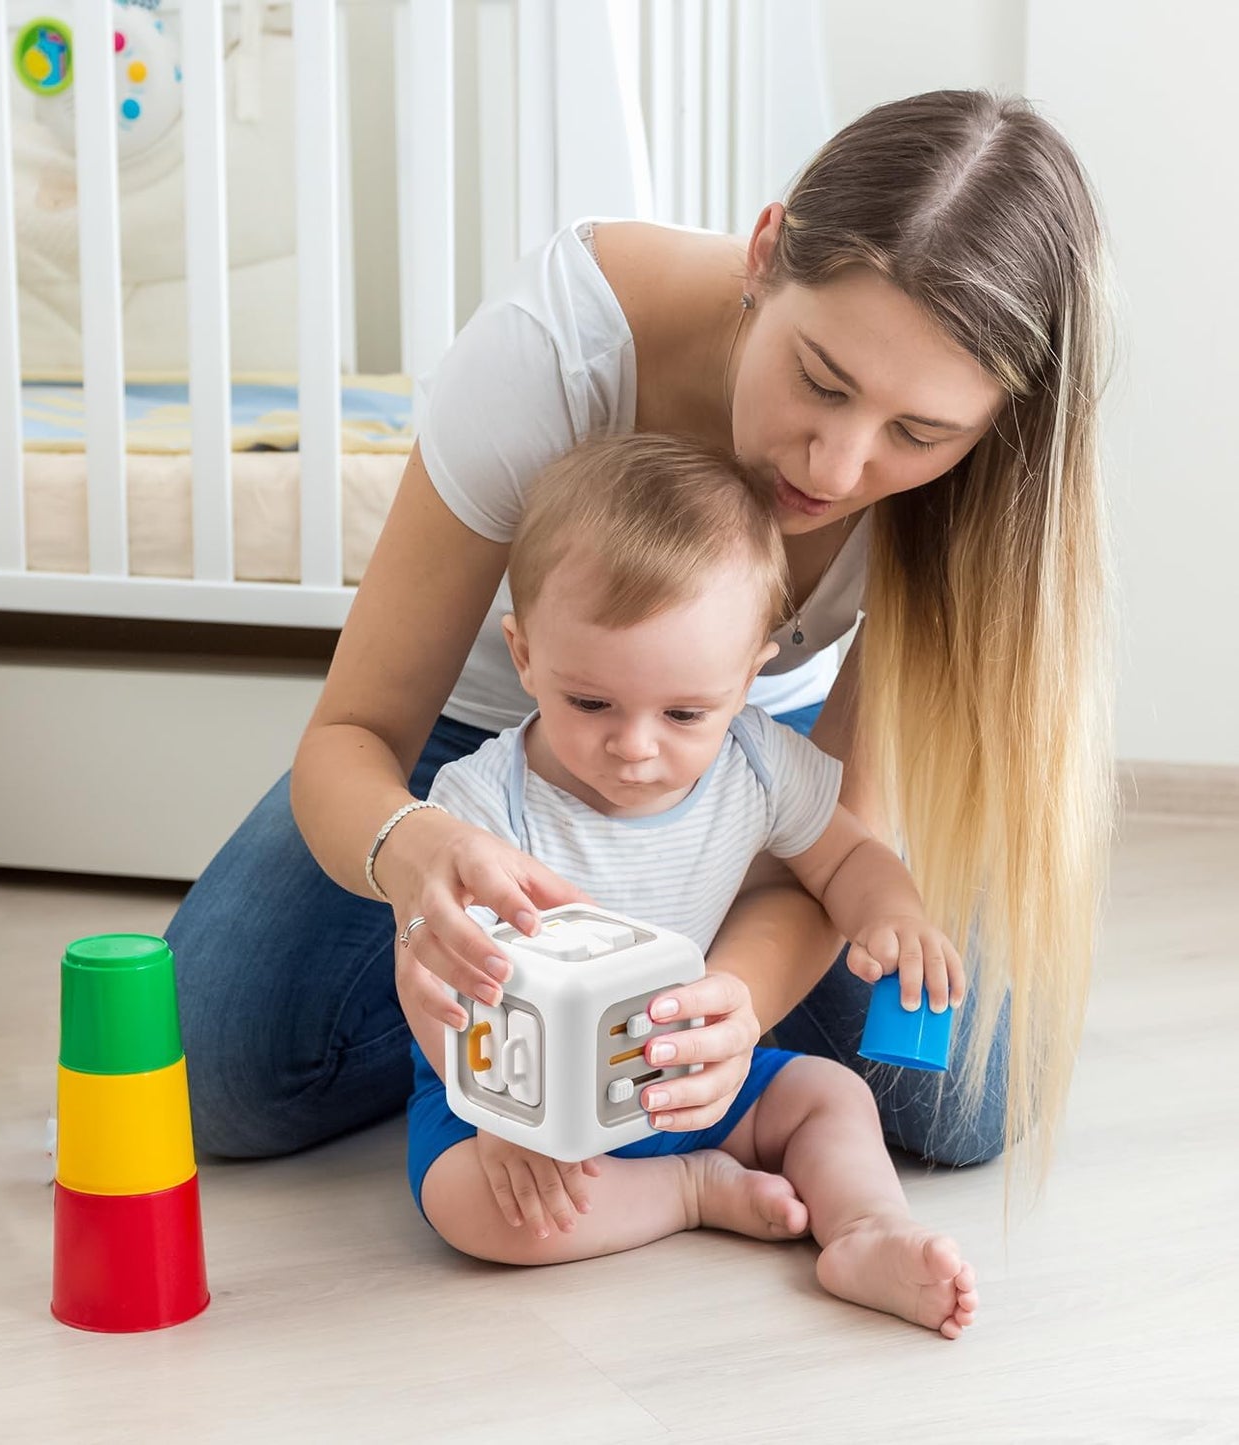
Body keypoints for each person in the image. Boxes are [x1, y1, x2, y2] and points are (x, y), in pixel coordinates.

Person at [166, 90, 1113, 1183]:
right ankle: (519, 1041)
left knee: (971, 1093)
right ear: (764, 253)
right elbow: (351, 734)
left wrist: (735, 1007)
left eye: (917, 432)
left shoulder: (970, 497)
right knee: (217, 1069)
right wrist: (416, 864)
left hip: (741, 743)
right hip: (471, 741)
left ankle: (633, 1034)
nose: (835, 467)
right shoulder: (555, 351)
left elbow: (842, 828)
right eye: (819, 379)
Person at [400, 434, 979, 1338]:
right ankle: (686, 1190)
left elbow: (845, 857)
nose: (634, 747)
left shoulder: (755, 758)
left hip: (697, 1074)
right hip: (518, 1096)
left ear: (747, 678)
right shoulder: (482, 801)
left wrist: (892, 912)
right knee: (469, 1206)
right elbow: (429, 978)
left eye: (682, 713)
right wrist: (502, 1118)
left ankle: (867, 1229)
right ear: (523, 655)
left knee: (833, 1095)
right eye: (589, 702)